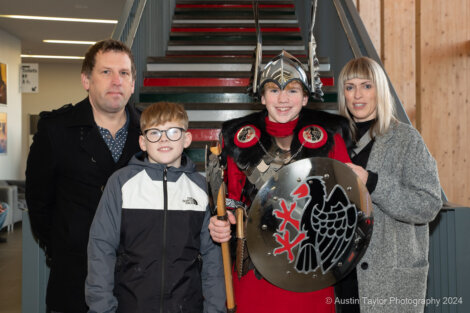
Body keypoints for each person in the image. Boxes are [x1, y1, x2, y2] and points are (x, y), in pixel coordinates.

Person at [208, 51, 352, 313]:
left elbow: (347, 199)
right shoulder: (237, 140)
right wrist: (221, 220)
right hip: (255, 266)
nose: (283, 99)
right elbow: (231, 200)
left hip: (311, 263)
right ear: (262, 97)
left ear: (305, 97)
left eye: (293, 90)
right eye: (274, 90)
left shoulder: (330, 138)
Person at [25, 39, 141, 313]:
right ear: (86, 80)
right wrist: (66, 245)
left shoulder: (152, 133)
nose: (116, 81)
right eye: (106, 72)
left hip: (135, 282)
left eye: (124, 73)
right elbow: (39, 203)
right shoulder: (55, 131)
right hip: (75, 280)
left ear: (133, 84)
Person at [85, 102, 226, 313]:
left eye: (173, 131)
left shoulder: (201, 188)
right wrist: (102, 308)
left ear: (187, 138)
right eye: (154, 133)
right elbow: (101, 249)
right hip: (131, 305)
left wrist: (215, 309)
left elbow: (212, 259)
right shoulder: (121, 183)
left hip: (187, 306)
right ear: (142, 142)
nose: (164, 139)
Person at [334, 56, 442, 313]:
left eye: (366, 86)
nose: (357, 95)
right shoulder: (334, 140)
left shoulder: (406, 139)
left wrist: (372, 182)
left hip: (390, 281)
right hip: (341, 275)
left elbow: (428, 204)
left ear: (380, 90)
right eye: (350, 87)